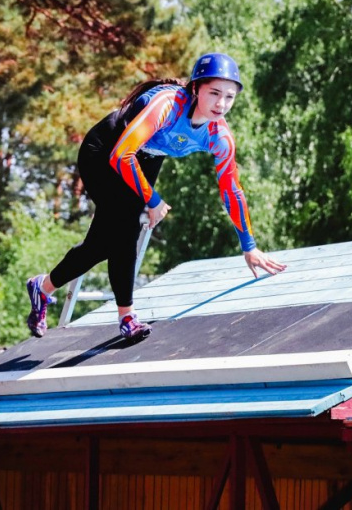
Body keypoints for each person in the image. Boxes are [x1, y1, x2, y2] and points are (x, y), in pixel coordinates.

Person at [25, 52, 287, 339]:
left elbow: (231, 190)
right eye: (214, 93)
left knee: (102, 244)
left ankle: (43, 287)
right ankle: (127, 317)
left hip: (145, 160)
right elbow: (121, 155)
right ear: (196, 87)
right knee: (125, 229)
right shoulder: (167, 105)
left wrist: (249, 246)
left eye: (229, 97)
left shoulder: (219, 135)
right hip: (104, 152)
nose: (221, 104)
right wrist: (154, 200)